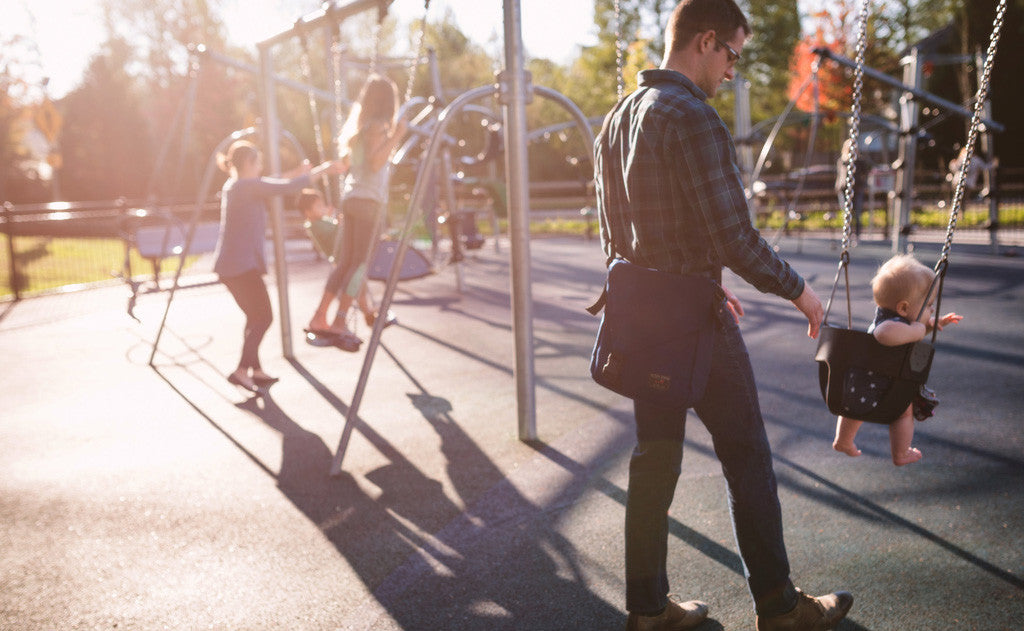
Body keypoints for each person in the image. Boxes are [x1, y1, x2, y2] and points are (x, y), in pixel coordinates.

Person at [593, 1, 854, 629]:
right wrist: (801, 293)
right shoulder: (692, 116)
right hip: (692, 324)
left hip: (643, 318)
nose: (733, 70)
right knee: (746, 454)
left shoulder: (618, 119)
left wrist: (697, 281)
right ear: (706, 41)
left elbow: (612, 234)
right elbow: (735, 235)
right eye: (733, 54)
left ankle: (649, 610)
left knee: (654, 458)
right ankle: (779, 605)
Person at [213, 139, 344, 392]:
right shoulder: (247, 187)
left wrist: (297, 172)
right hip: (241, 268)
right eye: (259, 162)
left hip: (232, 267)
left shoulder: (236, 185)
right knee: (264, 317)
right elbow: (286, 187)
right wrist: (323, 170)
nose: (261, 167)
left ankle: (256, 370)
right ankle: (241, 370)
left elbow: (275, 181)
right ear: (250, 163)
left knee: (254, 318)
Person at [305, 75, 406, 347]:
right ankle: (339, 321)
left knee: (345, 263)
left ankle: (319, 316)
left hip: (352, 200)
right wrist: (396, 135)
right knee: (359, 265)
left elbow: (352, 164)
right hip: (368, 205)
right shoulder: (379, 127)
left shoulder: (360, 130)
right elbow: (375, 163)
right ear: (389, 102)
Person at [832, 254, 962, 466]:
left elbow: (909, 332)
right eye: (928, 304)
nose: (931, 309)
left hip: (866, 383)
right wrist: (919, 330)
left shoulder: (895, 320)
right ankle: (900, 453)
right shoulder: (887, 325)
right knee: (901, 415)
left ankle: (844, 440)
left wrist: (932, 324)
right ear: (903, 308)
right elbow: (885, 335)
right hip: (880, 386)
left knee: (854, 411)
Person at [297, 188, 394, 351]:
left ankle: (368, 314)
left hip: (343, 260)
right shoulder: (315, 225)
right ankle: (364, 315)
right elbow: (338, 234)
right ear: (308, 212)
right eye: (318, 206)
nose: (322, 208)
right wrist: (345, 224)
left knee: (360, 288)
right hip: (344, 261)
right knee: (357, 284)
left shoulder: (321, 222)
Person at [835, 137, 873, 240]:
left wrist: (864, 184)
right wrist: (838, 185)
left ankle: (857, 234)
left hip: (857, 188)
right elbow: (840, 175)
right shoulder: (842, 160)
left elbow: (866, 172)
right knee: (846, 212)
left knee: (857, 212)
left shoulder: (859, 161)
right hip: (844, 189)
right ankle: (848, 232)